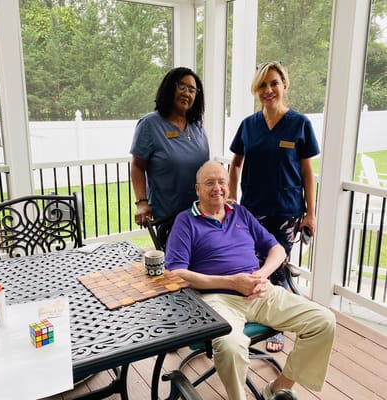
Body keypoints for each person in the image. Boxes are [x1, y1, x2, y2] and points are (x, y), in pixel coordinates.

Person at [165, 161, 335, 400]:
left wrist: (261, 275)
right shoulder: (186, 222)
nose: (218, 188)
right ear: (197, 189)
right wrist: (232, 282)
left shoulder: (240, 213)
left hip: (261, 291)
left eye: (222, 182)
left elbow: (277, 250)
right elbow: (176, 273)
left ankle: (277, 389)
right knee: (230, 346)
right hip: (217, 299)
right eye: (210, 183)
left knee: (323, 321)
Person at [229, 61, 320, 353]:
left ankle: (277, 326)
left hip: (286, 210)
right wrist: (231, 198)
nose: (268, 90)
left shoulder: (299, 124)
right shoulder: (248, 125)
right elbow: (235, 164)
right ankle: (250, 316)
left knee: (277, 266)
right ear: (257, 90)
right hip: (252, 209)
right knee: (251, 264)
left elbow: (307, 172)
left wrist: (311, 213)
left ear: (284, 85)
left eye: (274, 83)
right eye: (262, 85)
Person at [130, 67, 209, 227]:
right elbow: (137, 165)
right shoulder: (150, 124)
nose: (187, 93)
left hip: (199, 214)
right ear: (169, 88)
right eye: (182, 86)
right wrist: (141, 202)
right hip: (168, 216)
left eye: (192, 90)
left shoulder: (198, 126)